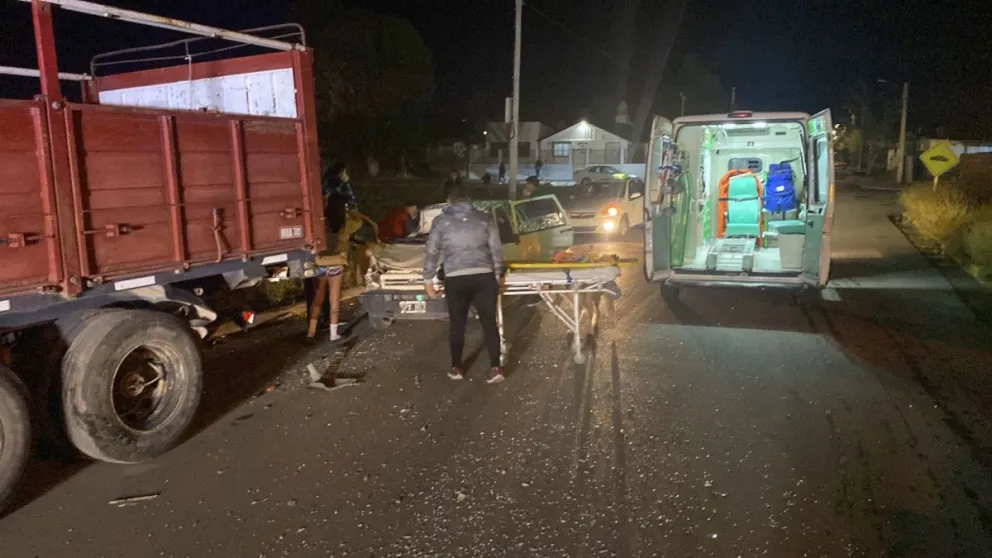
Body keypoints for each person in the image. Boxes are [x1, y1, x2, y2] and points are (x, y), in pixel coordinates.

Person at [423, 183, 504, 384]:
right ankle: (495, 368)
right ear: (470, 201)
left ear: (449, 201)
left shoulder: (441, 221)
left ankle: (456, 367)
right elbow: (496, 249)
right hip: (484, 276)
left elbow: (432, 251)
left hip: (455, 277)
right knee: (489, 323)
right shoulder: (485, 219)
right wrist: (498, 275)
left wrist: (428, 279)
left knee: (457, 324)